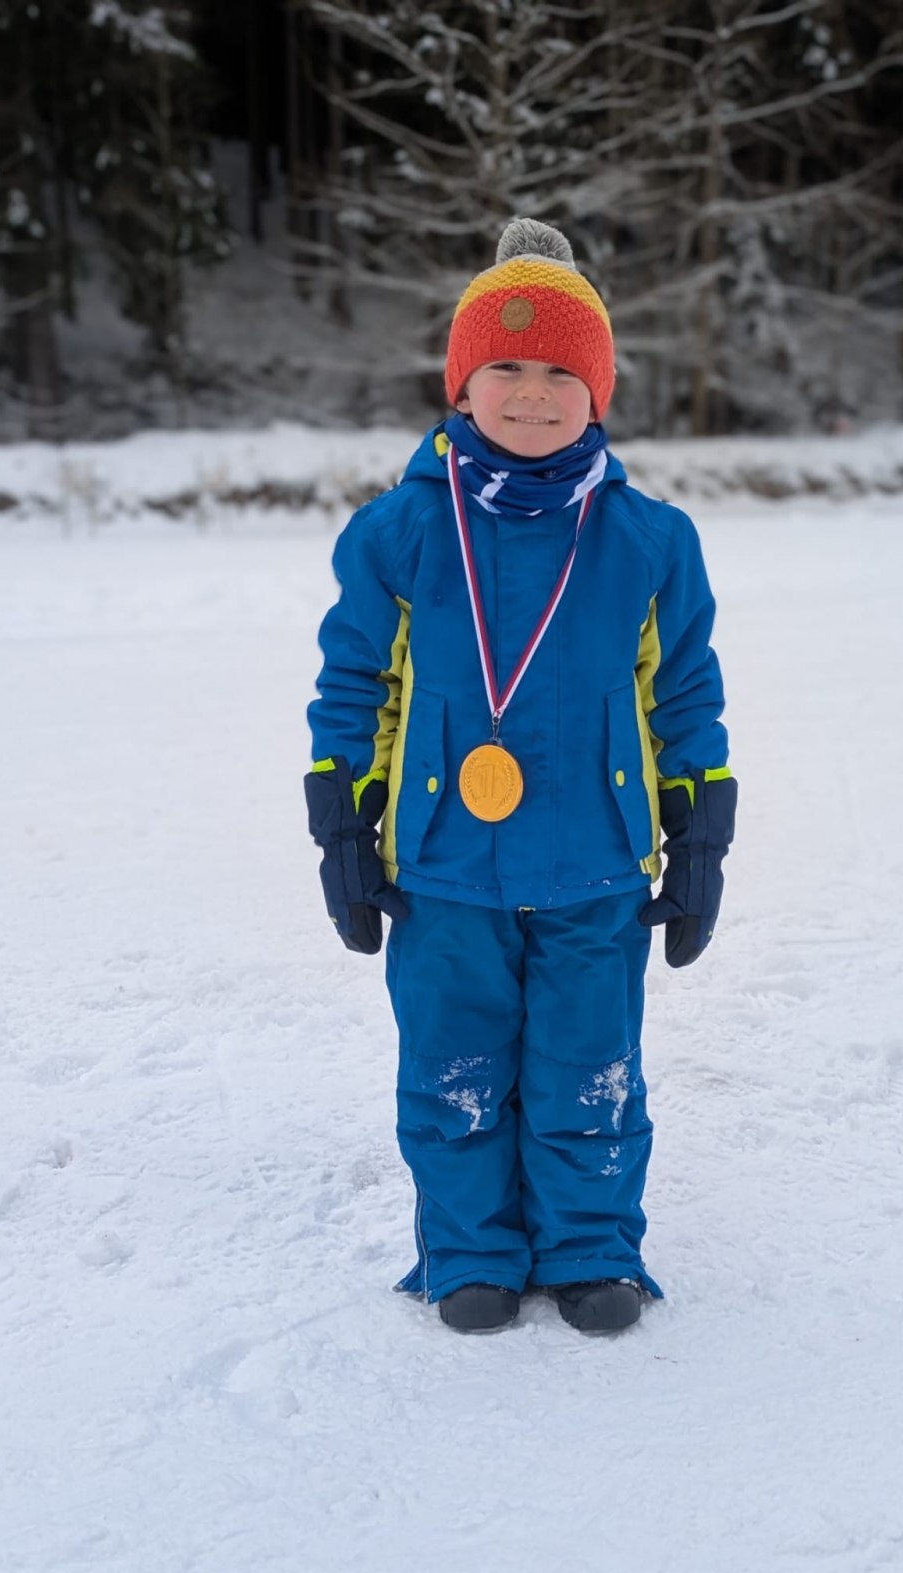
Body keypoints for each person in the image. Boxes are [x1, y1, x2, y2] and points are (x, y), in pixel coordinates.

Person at [305, 219, 736, 1335]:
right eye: (506, 366)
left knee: (590, 1069)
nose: (533, 394)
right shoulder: (398, 533)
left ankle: (591, 1245)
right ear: (461, 384)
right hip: (444, 867)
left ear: (598, 393)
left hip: (597, 864)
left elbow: (684, 696)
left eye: (562, 372)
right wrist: (341, 825)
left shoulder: (650, 541)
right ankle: (470, 1251)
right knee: (452, 1071)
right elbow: (355, 686)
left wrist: (700, 835)